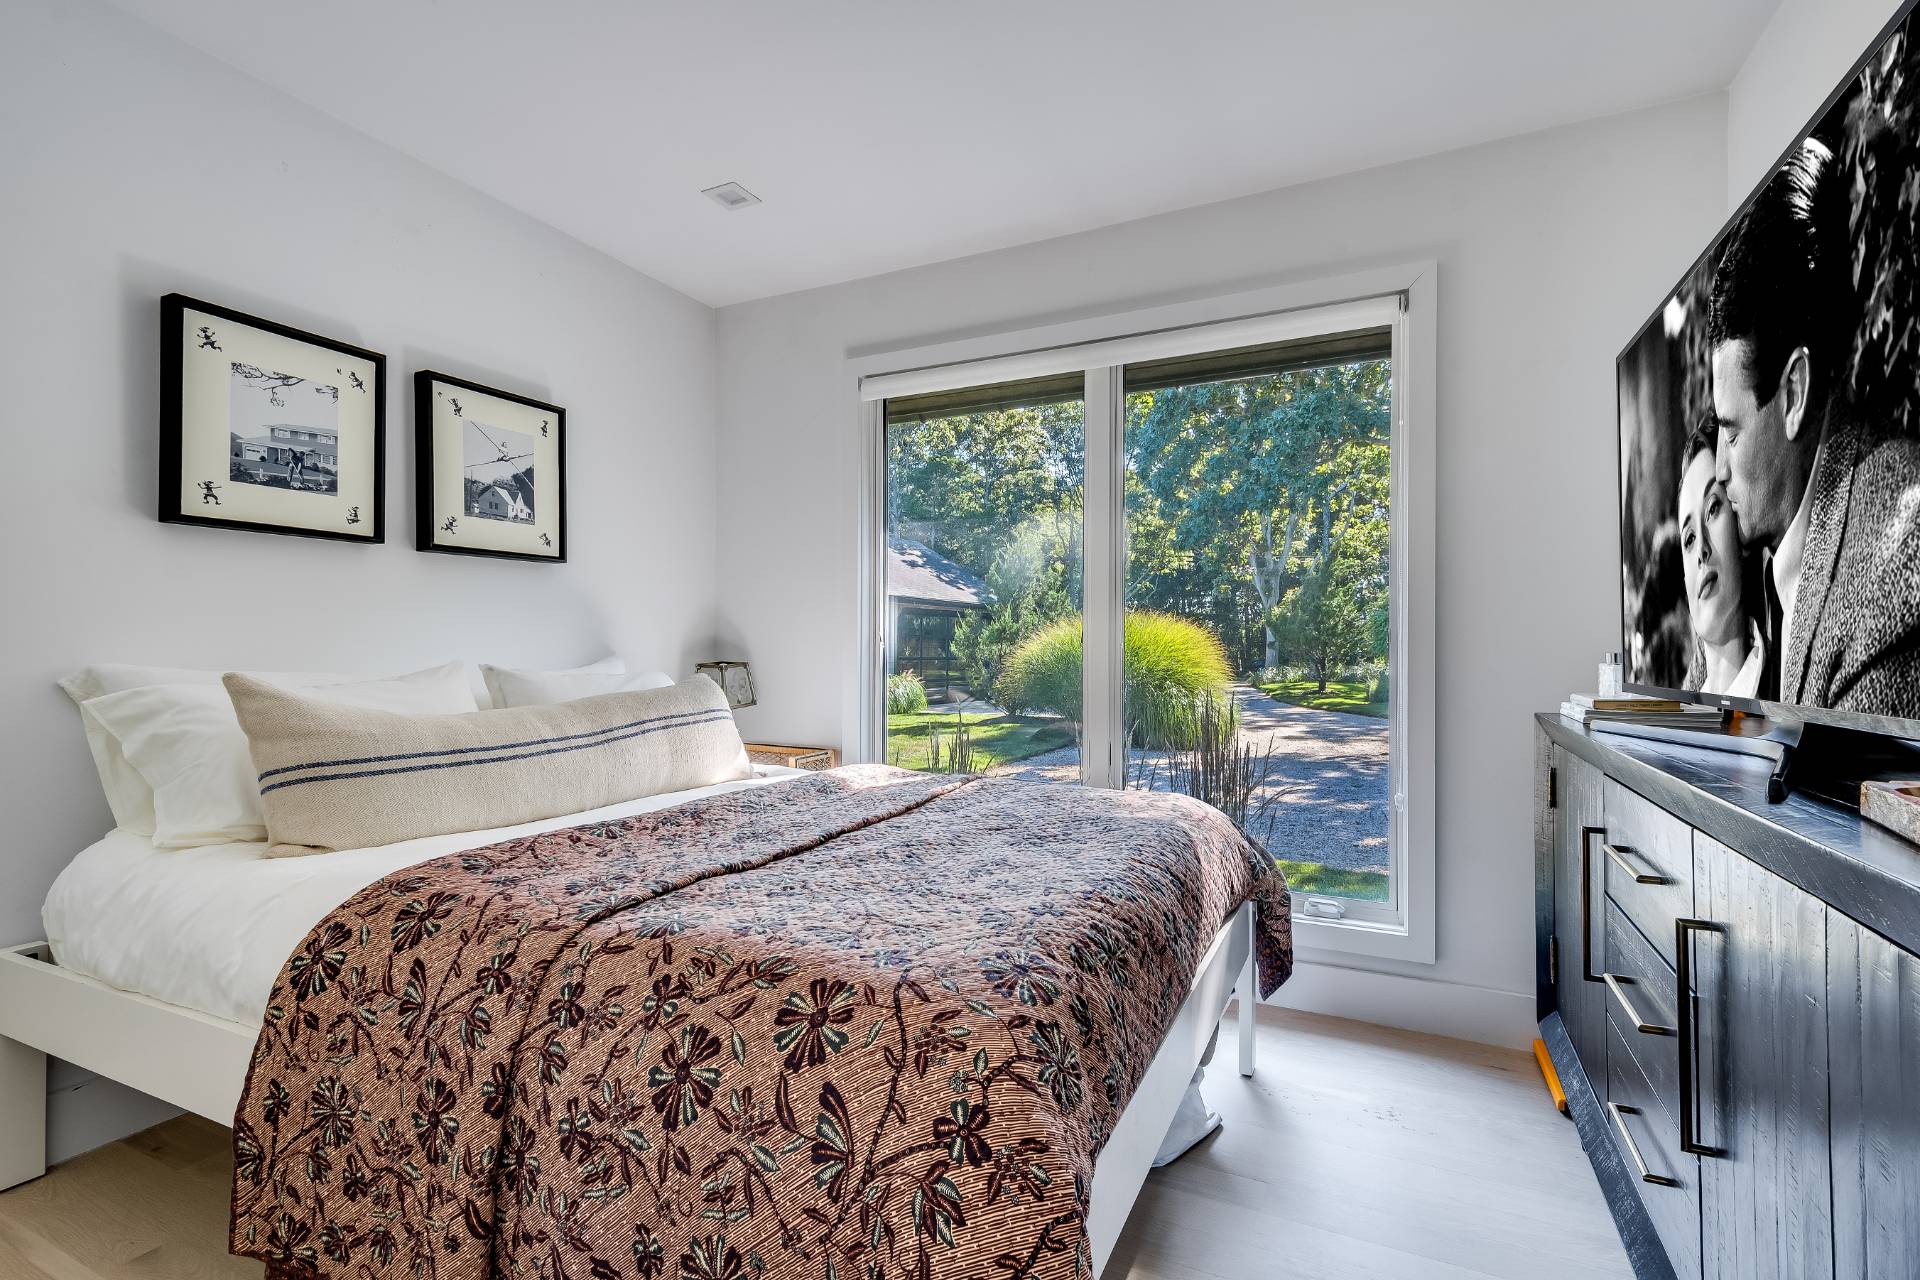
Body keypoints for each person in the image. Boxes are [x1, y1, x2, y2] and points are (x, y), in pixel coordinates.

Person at [1710, 136, 1920, 715]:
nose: (1720, 472)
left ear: (1794, 392)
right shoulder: (1788, 553)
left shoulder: (1885, 574)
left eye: (1731, 434)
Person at [1677, 422, 1764, 697]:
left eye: (1712, 509)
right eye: (1689, 539)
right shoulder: (1679, 717)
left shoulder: (1781, 682)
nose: (1701, 548)